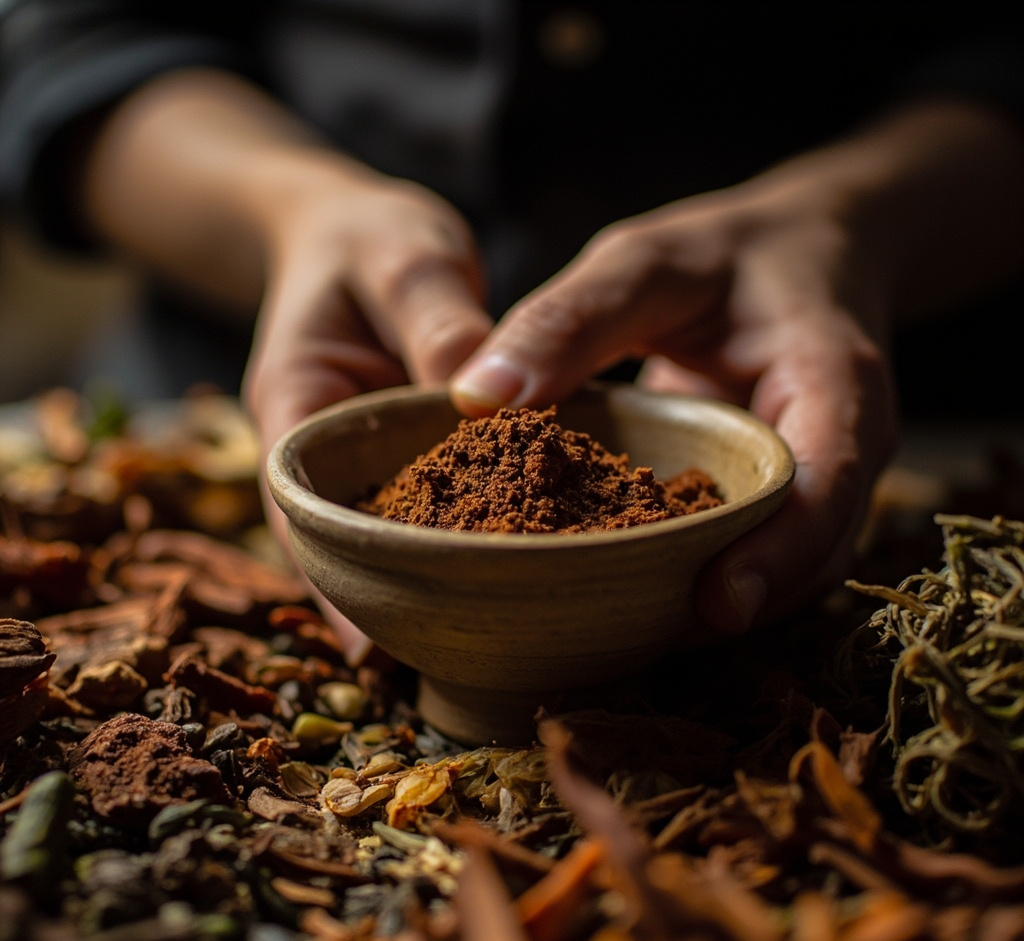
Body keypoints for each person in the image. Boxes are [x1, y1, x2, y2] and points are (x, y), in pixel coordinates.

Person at [1, 2, 1022, 661]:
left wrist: (859, 216)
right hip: (244, 378)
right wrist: (289, 210)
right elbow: (65, 34)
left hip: (883, 396)